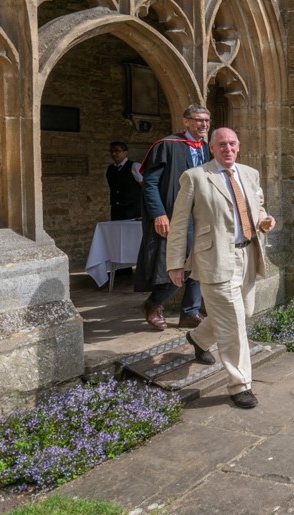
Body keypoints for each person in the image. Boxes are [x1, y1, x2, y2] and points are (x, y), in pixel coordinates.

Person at [167, 127, 274, 409]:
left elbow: (258, 207)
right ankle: (240, 385)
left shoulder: (250, 174)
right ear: (211, 148)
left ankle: (198, 338)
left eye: (232, 144)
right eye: (222, 144)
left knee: (244, 312)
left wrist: (264, 220)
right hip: (214, 259)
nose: (228, 149)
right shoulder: (195, 177)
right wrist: (175, 263)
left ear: (238, 146)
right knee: (234, 325)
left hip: (247, 255)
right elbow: (179, 223)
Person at [135, 104, 211, 331]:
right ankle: (153, 304)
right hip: (174, 217)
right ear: (186, 121)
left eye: (206, 120)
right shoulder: (167, 145)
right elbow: (149, 183)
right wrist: (158, 213)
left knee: (200, 263)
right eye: (199, 120)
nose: (204, 124)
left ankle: (190, 312)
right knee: (179, 264)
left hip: (200, 217)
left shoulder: (206, 149)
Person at [106, 141, 143, 220]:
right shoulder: (110, 169)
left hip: (133, 209)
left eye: (117, 151)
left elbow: (144, 186)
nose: (114, 154)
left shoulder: (134, 166)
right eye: (112, 151)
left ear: (125, 152)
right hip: (116, 209)